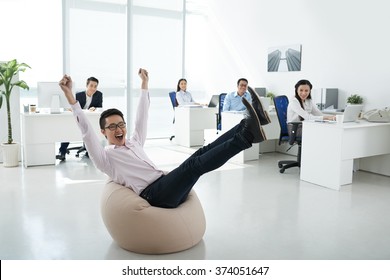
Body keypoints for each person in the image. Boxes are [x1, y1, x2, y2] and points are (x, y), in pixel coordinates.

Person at [58, 69, 268, 209]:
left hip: (165, 182)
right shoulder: (105, 159)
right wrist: (70, 97)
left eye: (121, 124)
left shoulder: (134, 142)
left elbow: (142, 114)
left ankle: (248, 124)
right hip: (155, 195)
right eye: (112, 127)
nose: (118, 129)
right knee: (194, 165)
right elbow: (86, 131)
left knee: (201, 152)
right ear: (103, 132)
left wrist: (144, 84)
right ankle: (247, 136)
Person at [56, 76, 103, 161]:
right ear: (87, 85)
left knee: (92, 130)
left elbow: (100, 107)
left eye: (95, 86)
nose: (93, 88)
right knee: (69, 130)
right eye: (91, 85)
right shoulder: (78, 95)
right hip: (76, 119)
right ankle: (62, 152)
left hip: (89, 119)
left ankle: (89, 151)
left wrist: (95, 109)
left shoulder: (99, 95)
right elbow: (71, 106)